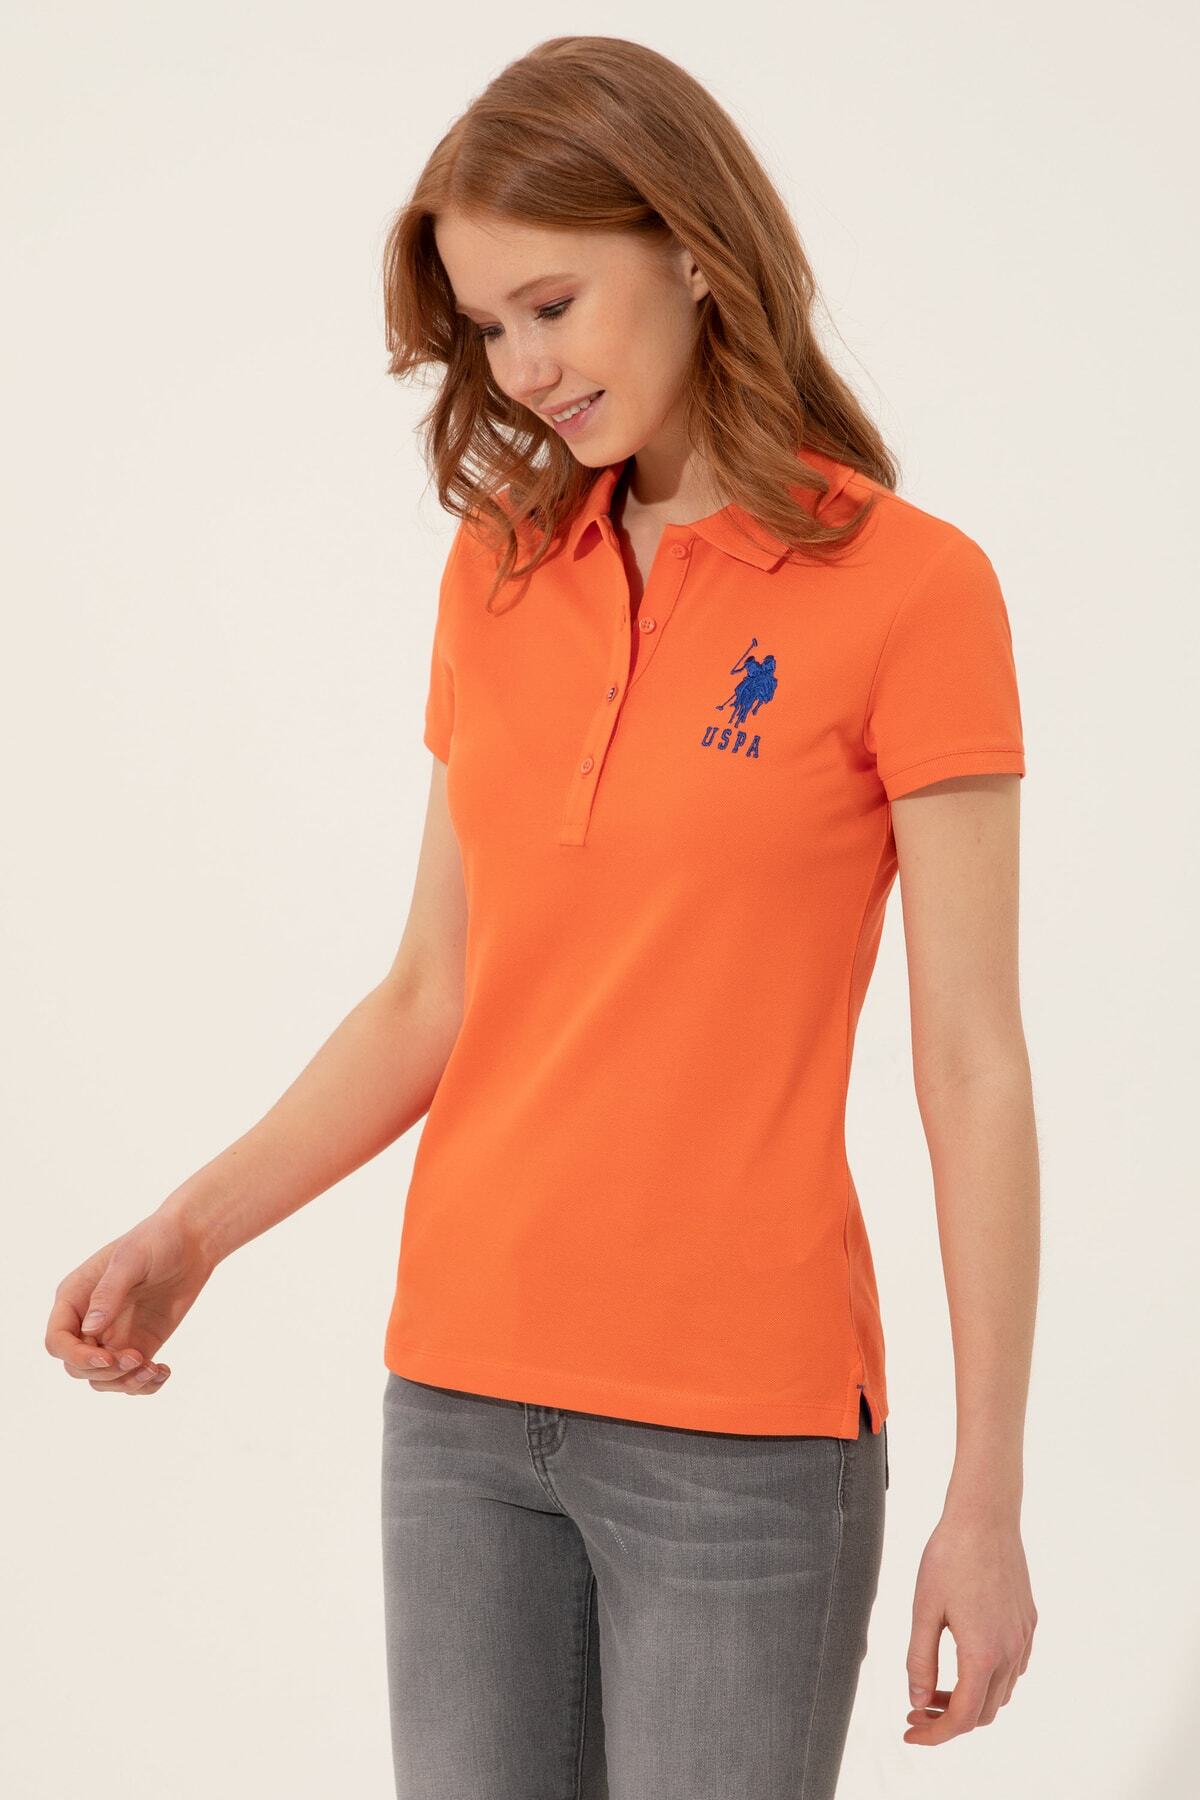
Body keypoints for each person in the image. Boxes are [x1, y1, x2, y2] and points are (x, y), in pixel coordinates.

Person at [45, 33, 1040, 1800]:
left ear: (696, 251)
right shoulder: (499, 568)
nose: (522, 371)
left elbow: (970, 1062)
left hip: (744, 1440)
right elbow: (433, 991)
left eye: (552, 306)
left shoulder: (913, 590)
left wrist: (989, 1493)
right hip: (460, 1410)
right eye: (487, 329)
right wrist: (193, 1230)